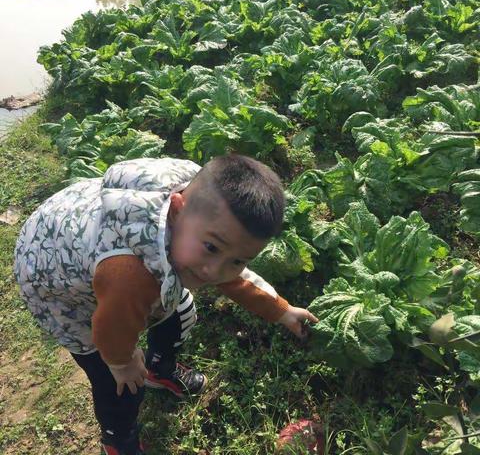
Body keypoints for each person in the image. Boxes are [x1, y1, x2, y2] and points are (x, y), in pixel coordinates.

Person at [14, 154, 318, 455]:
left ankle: (160, 369)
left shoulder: (202, 218)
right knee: (118, 382)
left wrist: (281, 310)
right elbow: (109, 327)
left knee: (180, 312)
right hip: (51, 275)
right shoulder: (129, 275)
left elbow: (231, 276)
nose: (214, 270)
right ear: (175, 210)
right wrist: (122, 362)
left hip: (80, 229)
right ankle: (118, 441)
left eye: (237, 260)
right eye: (211, 248)